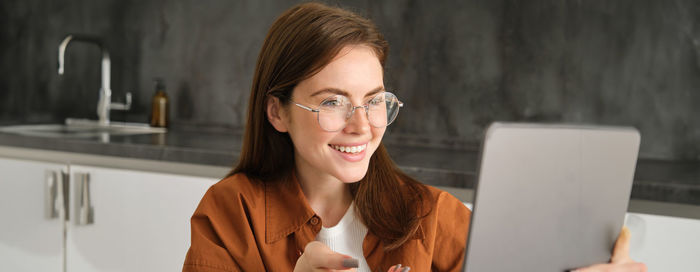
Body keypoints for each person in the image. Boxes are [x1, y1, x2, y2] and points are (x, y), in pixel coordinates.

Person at [183, 2, 647, 272]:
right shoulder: (229, 214)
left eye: (374, 99)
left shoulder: (431, 214)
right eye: (332, 101)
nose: (362, 125)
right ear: (277, 113)